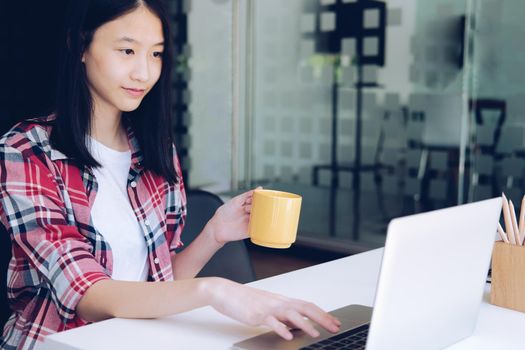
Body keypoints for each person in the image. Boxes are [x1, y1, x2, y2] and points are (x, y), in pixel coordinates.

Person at [0, 1, 341, 348]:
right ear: (80, 46)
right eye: (127, 50)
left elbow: (157, 286)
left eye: (156, 54)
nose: (144, 73)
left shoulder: (154, 148)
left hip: (138, 339)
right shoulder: (25, 151)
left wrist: (214, 234)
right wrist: (214, 289)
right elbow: (88, 295)